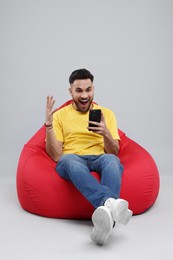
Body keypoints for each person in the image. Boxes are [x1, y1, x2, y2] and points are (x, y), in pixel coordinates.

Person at [45, 68, 132, 245]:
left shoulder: (106, 113)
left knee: (113, 161)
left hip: (100, 156)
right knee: (68, 160)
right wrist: (49, 125)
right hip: (73, 158)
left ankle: (105, 221)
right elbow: (56, 156)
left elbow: (113, 152)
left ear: (93, 89)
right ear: (70, 92)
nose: (84, 95)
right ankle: (111, 203)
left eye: (88, 89)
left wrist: (106, 133)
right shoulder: (60, 115)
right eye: (79, 91)